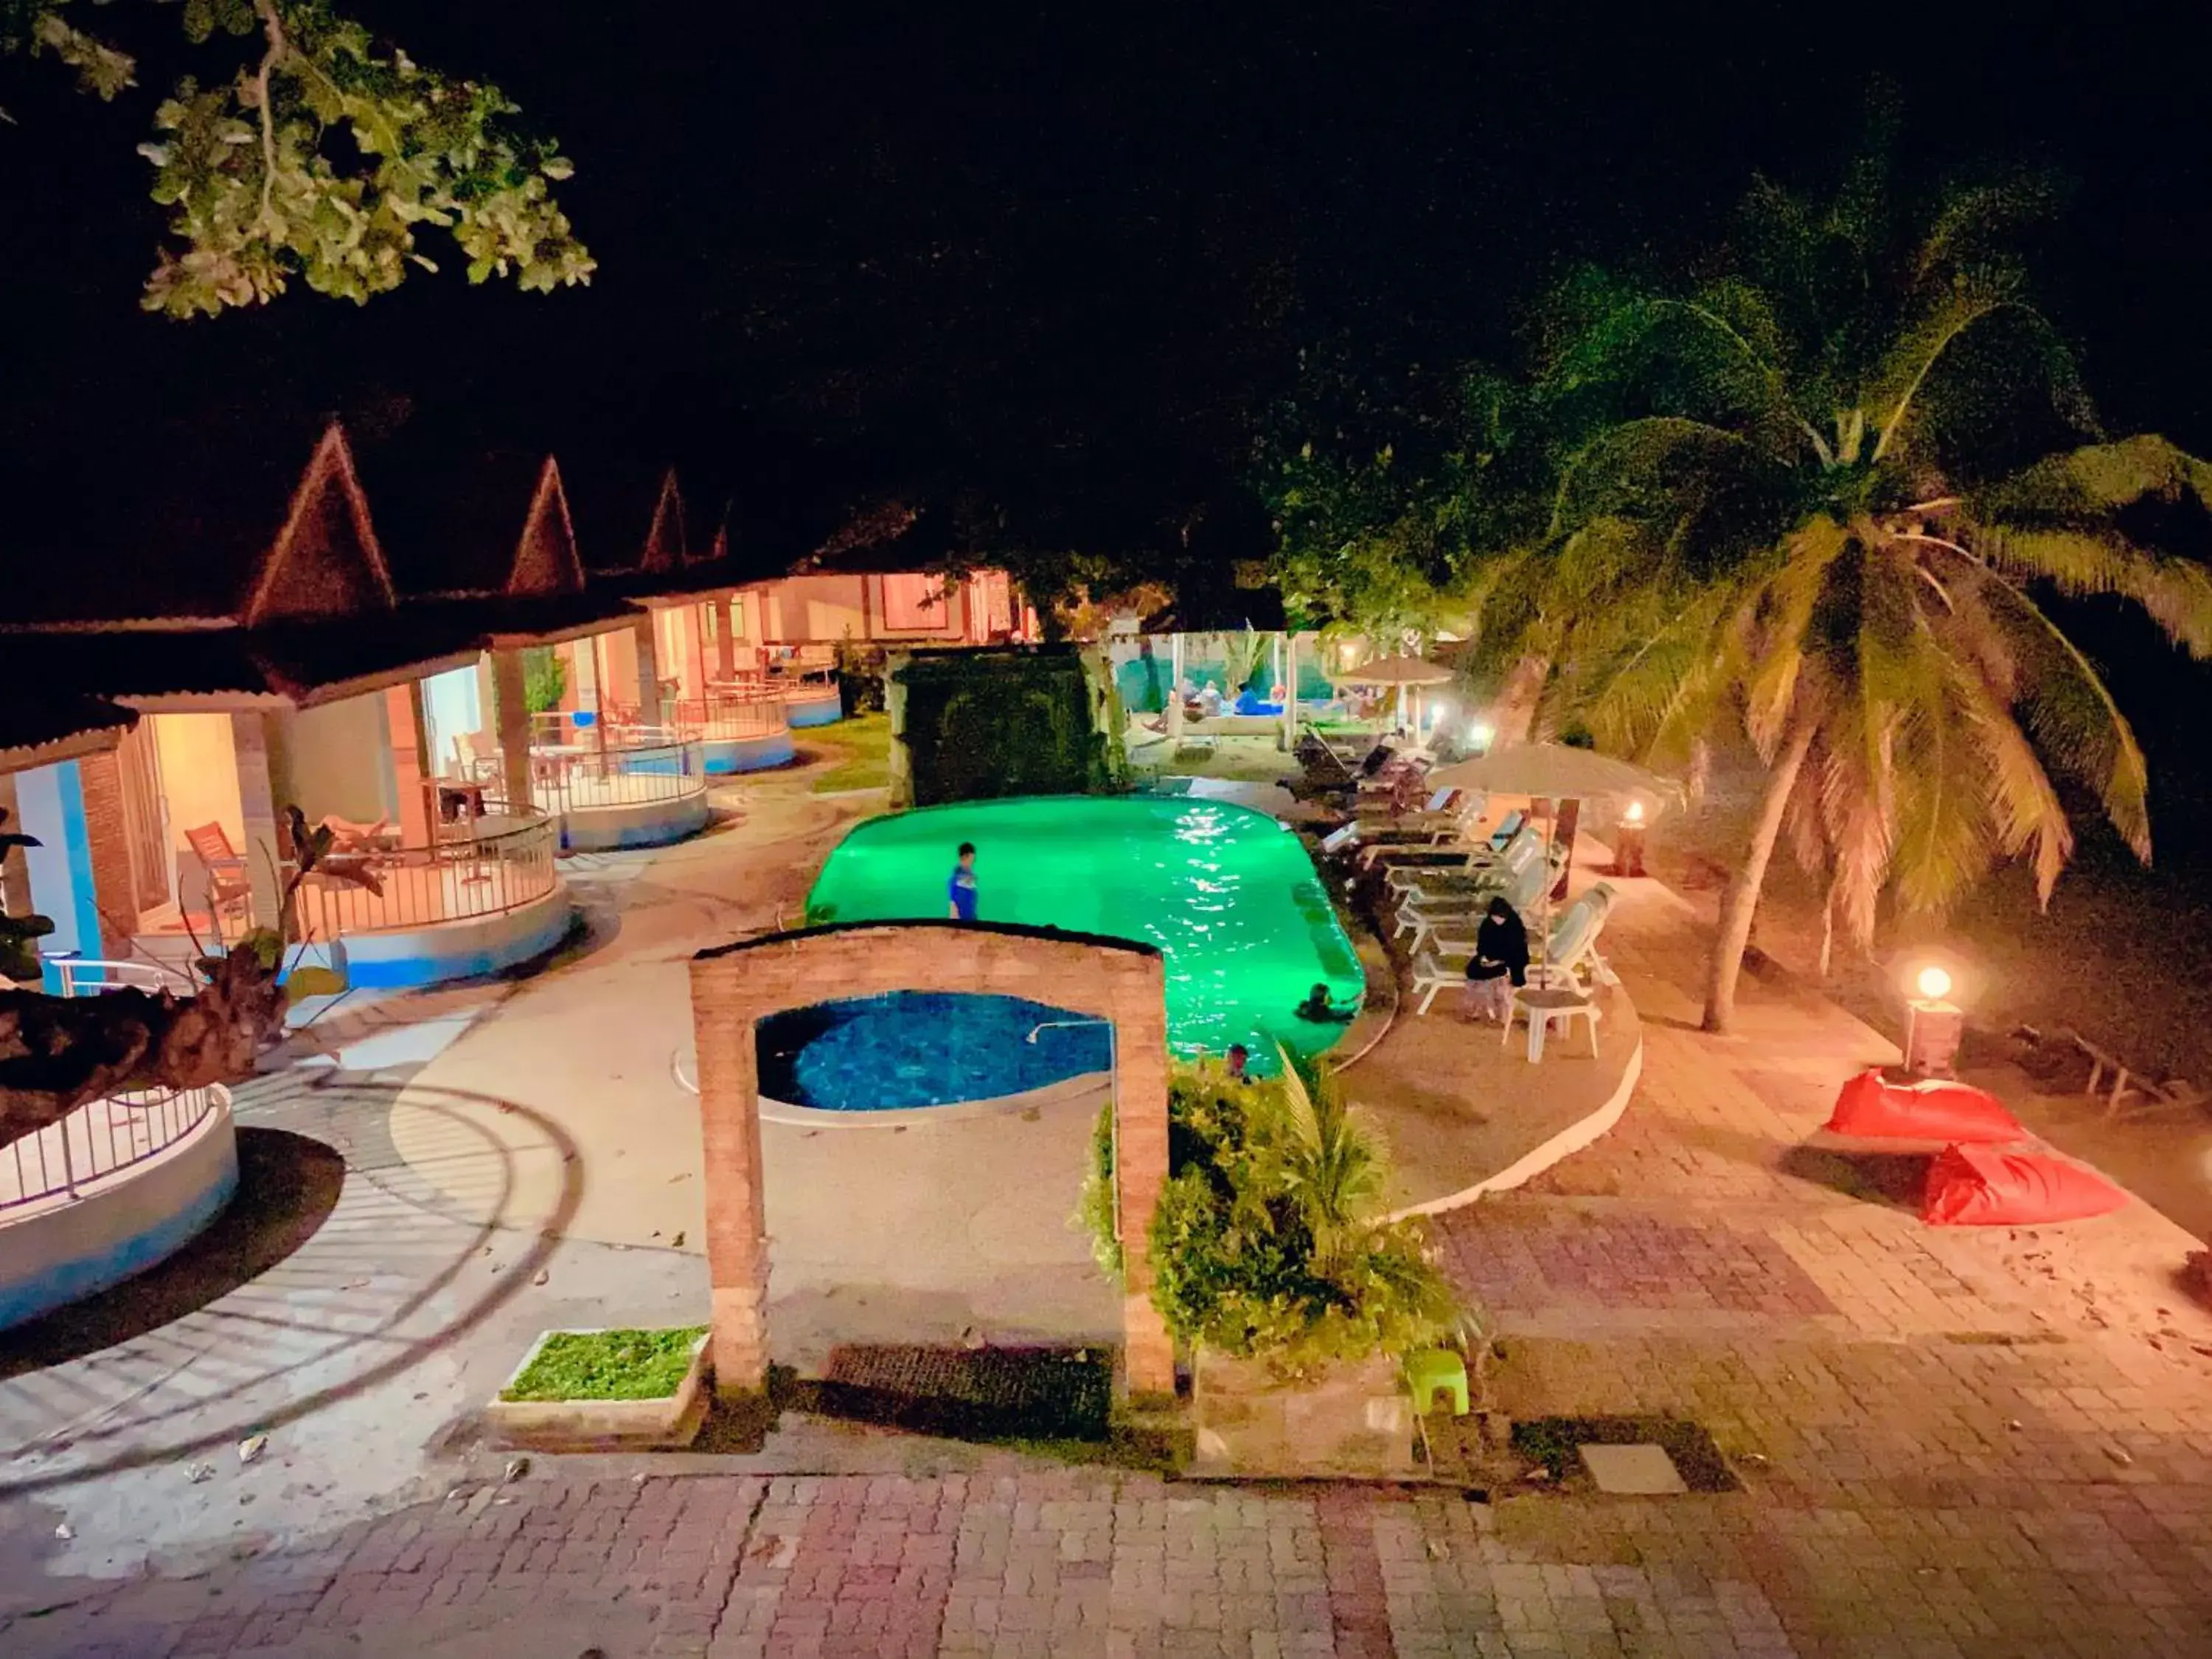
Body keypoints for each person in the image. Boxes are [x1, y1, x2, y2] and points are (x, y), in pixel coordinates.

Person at [1463, 896, 1530, 1023]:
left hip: (1511, 962)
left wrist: (1500, 961)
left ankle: (1494, 1007)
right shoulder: (1488, 925)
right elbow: (1482, 945)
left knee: (1499, 974)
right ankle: (1480, 1006)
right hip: (1491, 958)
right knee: (1474, 970)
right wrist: (1484, 958)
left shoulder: (1515, 929)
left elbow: (1518, 953)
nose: (1497, 921)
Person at [947, 841, 978, 921]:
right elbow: (953, 903)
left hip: (971, 919)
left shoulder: (970, 876)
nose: (972, 863)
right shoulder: (956, 880)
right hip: (961, 921)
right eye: (971, 859)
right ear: (964, 857)